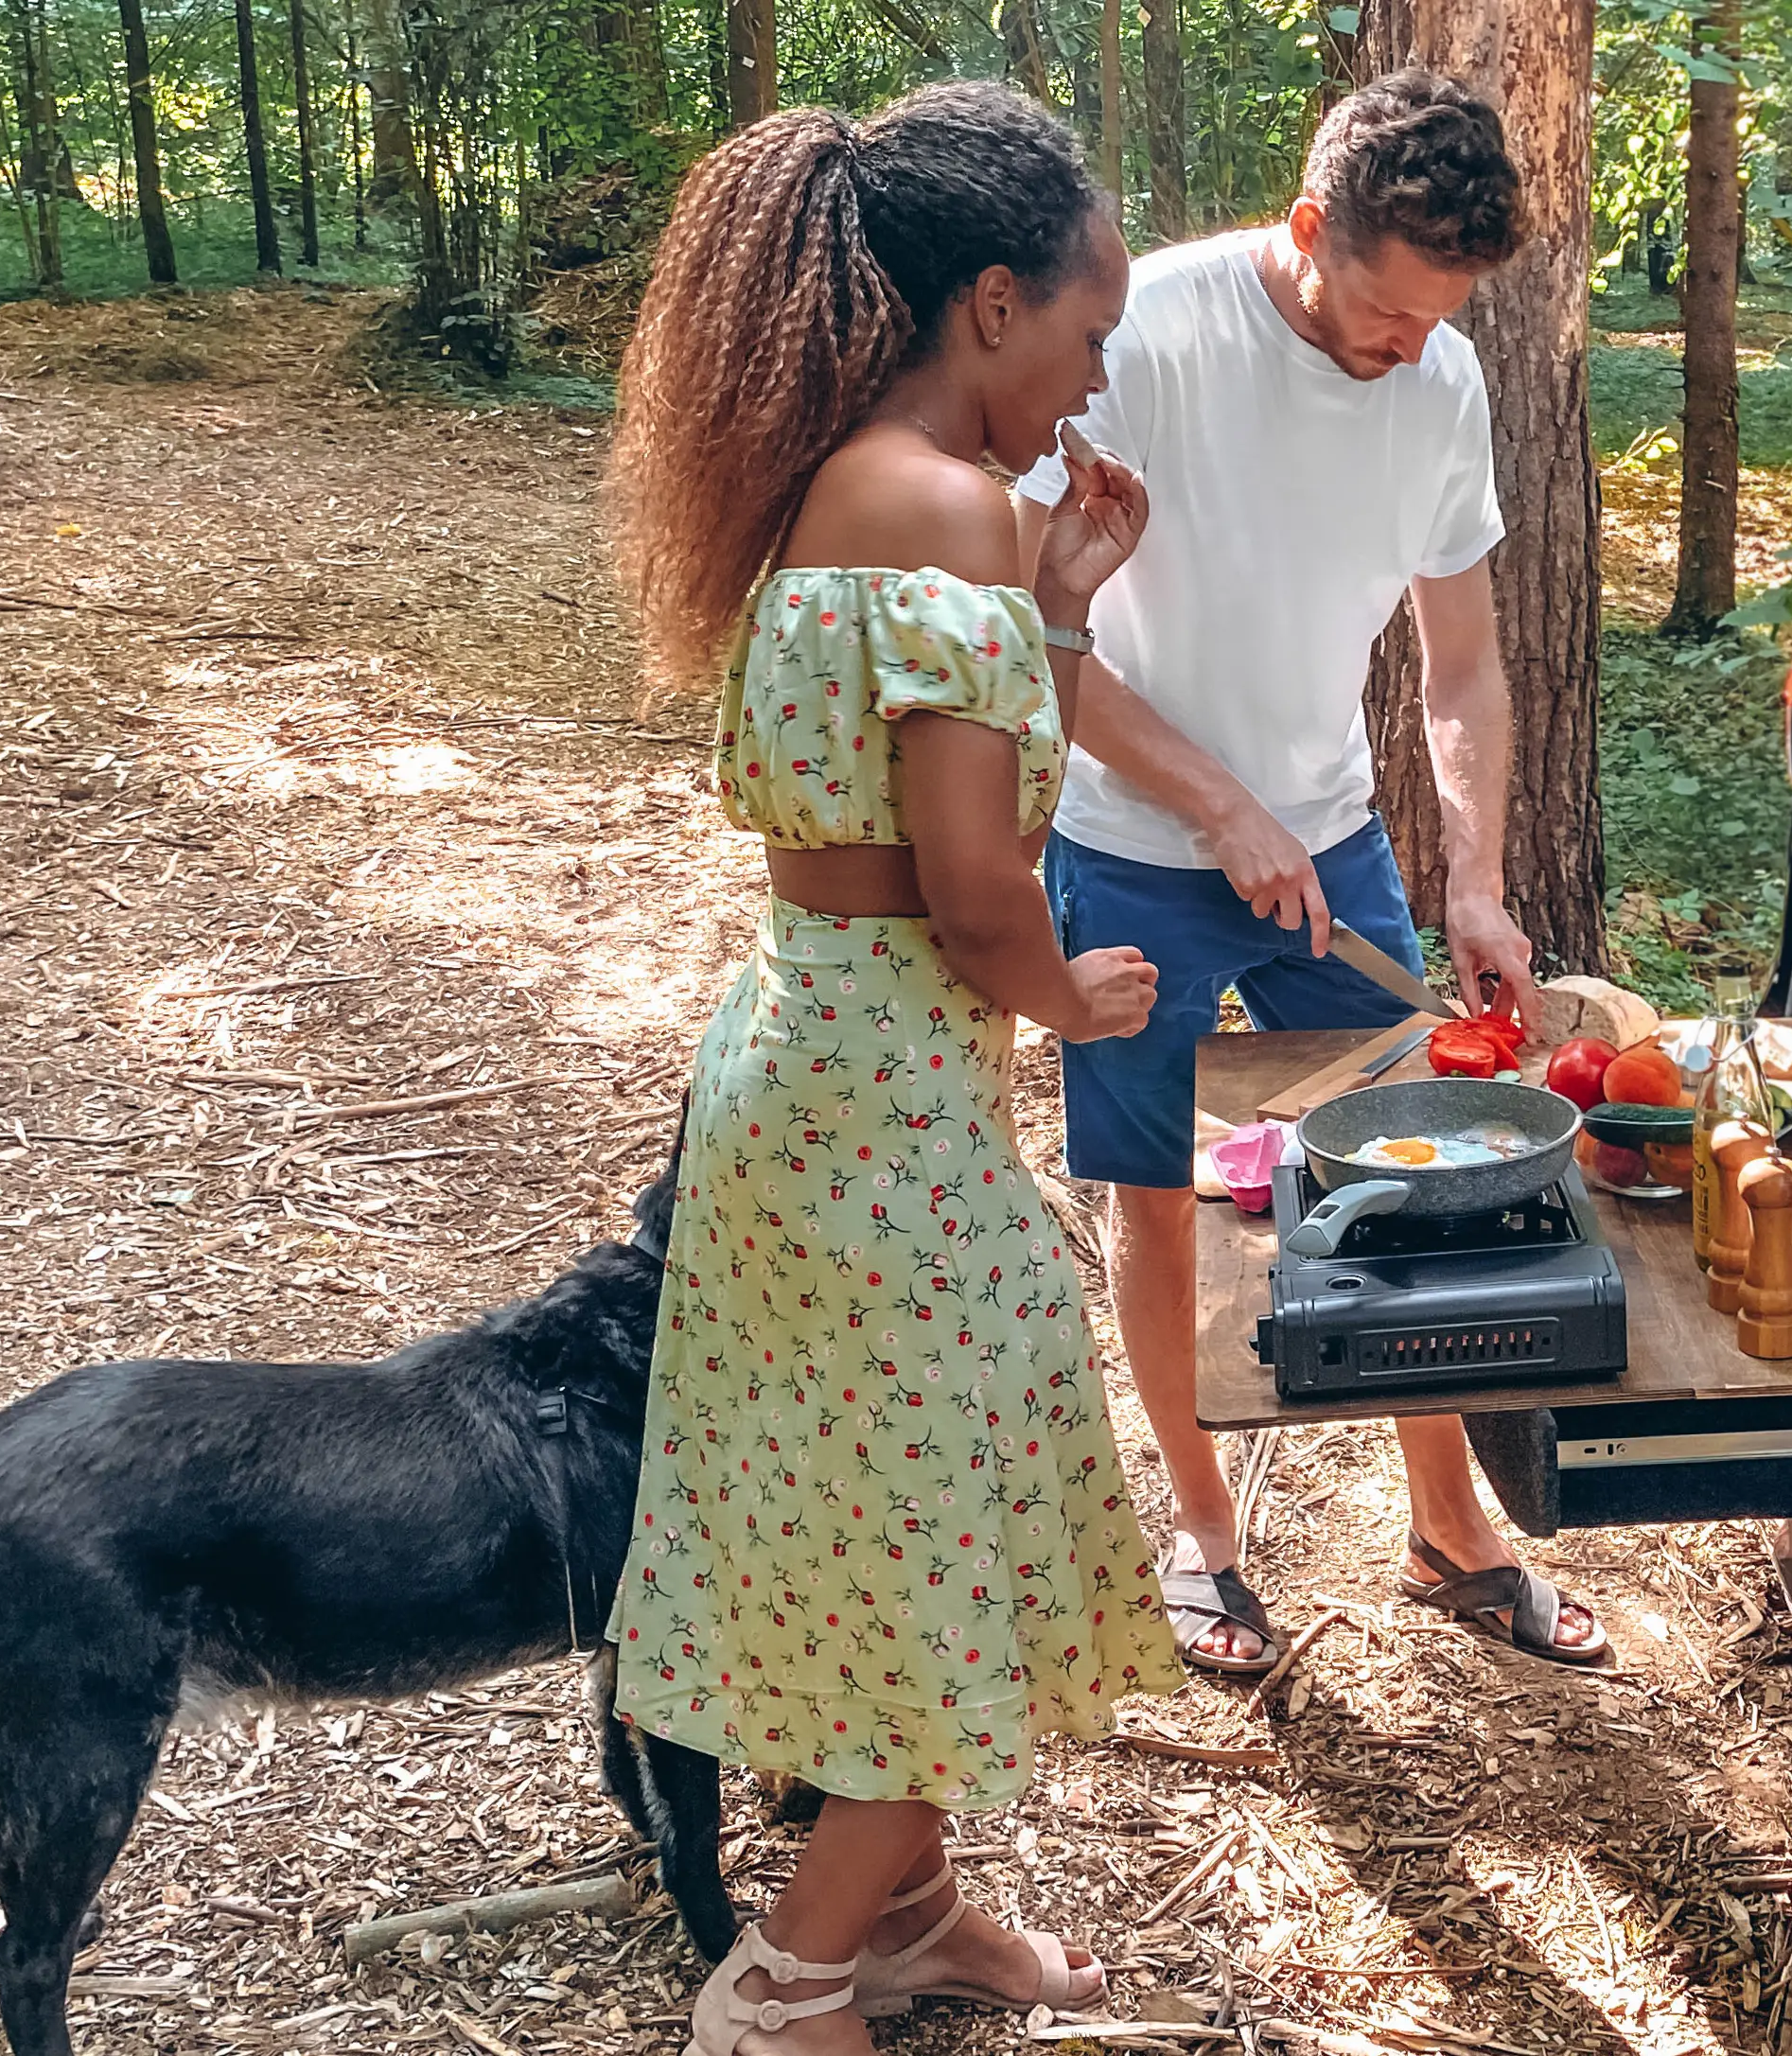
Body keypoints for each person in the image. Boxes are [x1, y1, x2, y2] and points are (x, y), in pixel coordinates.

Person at [601, 85, 1186, 2056]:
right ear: (996, 303)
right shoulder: (948, 513)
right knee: (965, 1521)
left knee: (867, 1505)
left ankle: (913, 1910)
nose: (1092, 385)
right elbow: (965, 877)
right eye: (1091, 339)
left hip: (805, 1060)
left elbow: (908, 779)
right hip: (886, 1100)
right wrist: (1072, 996)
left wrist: (1062, 611)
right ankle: (779, 1991)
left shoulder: (842, 491)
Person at [1014, 72, 1612, 1674]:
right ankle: (1205, 1546)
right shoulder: (1142, 343)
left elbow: (1462, 667)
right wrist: (1213, 806)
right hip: (1132, 843)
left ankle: (1448, 1525)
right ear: (1305, 233)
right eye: (1379, 309)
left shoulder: (1443, 380)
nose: (1404, 346)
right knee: (1151, 1205)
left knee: (1419, 1171)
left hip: (1334, 843)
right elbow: (1035, 640)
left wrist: (1472, 880)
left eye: (1437, 318)